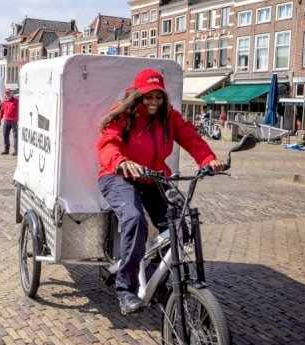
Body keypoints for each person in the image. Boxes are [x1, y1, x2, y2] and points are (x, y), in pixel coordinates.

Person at [96, 68, 225, 315]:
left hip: (152, 177)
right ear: (138, 96)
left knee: (180, 228)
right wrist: (121, 161)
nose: (154, 102)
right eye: (148, 96)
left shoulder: (169, 116)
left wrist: (208, 159)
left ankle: (155, 278)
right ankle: (126, 290)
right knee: (135, 220)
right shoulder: (124, 115)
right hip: (118, 175)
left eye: (158, 96)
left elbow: (190, 137)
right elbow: (107, 143)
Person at [0, 88, 19, 155]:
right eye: (6, 93)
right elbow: (1, 111)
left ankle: (16, 150)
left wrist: (18, 120)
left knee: (15, 135)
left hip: (14, 120)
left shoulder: (16, 101)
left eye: (9, 93)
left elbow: (19, 111)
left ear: (11, 93)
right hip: (6, 120)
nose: (8, 94)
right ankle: (6, 150)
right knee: (5, 135)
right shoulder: (4, 102)